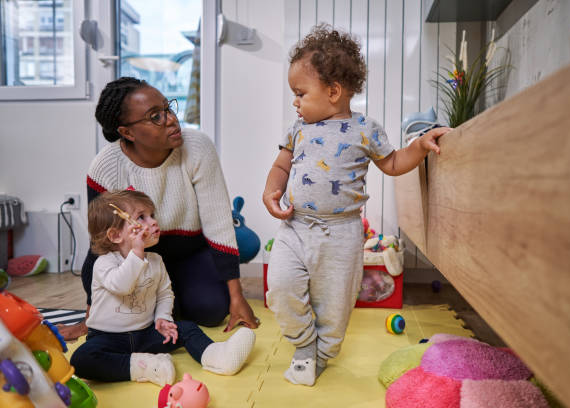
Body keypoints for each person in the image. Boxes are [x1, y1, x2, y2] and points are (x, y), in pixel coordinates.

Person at [262, 25, 451, 386]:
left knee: (335, 303)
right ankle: (303, 345)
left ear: (333, 91)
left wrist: (421, 145)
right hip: (296, 226)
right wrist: (272, 190)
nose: (295, 102)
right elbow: (282, 165)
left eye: (300, 93)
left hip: (342, 234)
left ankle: (321, 353)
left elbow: (393, 163)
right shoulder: (297, 130)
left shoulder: (366, 129)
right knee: (281, 285)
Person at [59, 77, 259, 341]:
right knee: (118, 303)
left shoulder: (198, 148)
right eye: (155, 117)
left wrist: (237, 296)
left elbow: (219, 223)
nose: (171, 119)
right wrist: (91, 317)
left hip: (190, 253)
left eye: (168, 108)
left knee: (211, 310)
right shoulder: (105, 167)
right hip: (138, 258)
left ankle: (165, 303)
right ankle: (162, 304)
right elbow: (102, 243)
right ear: (127, 133)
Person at [70, 190, 255, 385]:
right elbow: (121, 285)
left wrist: (163, 318)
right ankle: (146, 366)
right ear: (115, 235)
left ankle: (217, 356)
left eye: (152, 215)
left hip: (145, 333)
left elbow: (165, 294)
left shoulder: (156, 261)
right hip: (108, 339)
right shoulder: (104, 263)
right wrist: (137, 252)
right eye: (141, 217)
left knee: (187, 329)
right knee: (81, 360)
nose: (153, 222)